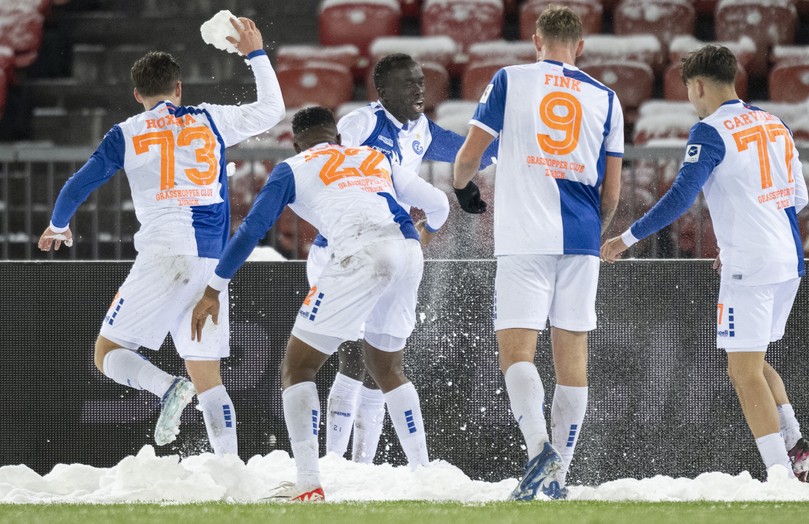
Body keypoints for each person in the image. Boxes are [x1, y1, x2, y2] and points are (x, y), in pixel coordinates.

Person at [37, 17, 285, 455]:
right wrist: (255, 55)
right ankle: (229, 467)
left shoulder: (127, 133)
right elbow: (272, 111)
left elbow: (77, 185)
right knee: (207, 374)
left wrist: (59, 224)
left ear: (137, 95)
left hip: (164, 253)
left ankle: (166, 386)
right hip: (210, 262)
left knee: (107, 352)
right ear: (179, 88)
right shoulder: (211, 119)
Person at [191, 106, 450, 502]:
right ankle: (425, 476)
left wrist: (213, 288)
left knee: (298, 367)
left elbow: (251, 230)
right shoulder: (372, 156)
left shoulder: (292, 168)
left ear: (297, 142)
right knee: (387, 368)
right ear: (337, 136)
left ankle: (309, 483)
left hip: (359, 253)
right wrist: (427, 233)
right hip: (407, 251)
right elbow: (437, 204)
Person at [601, 45, 809, 481]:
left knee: (742, 371)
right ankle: (796, 445)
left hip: (751, 264)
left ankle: (780, 475)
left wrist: (625, 239)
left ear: (697, 85)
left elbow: (682, 196)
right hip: (787, 259)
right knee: (751, 363)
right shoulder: (775, 123)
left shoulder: (710, 130)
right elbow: (799, 198)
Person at [452, 6, 623, 500]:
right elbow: (611, 191)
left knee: (516, 353)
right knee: (573, 363)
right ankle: (558, 478)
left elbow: (470, 153)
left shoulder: (511, 79)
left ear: (537, 41)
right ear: (581, 47)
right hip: (582, 239)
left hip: (525, 237)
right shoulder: (607, 99)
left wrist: (462, 188)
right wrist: (592, 234)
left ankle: (538, 450)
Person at [318, 53, 499, 464]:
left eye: (421, 81)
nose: (420, 89)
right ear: (382, 92)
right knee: (352, 358)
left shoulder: (422, 129)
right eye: (408, 83)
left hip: (396, 249)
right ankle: (331, 462)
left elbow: (474, 155)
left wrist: (510, 134)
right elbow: (331, 173)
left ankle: (360, 465)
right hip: (354, 246)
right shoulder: (360, 124)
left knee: (381, 360)